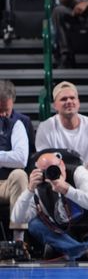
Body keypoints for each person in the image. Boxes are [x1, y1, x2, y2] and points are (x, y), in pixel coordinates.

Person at [11, 150, 88, 261]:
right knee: (34, 224)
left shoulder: (79, 173)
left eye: (54, 169)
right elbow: (17, 218)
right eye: (44, 171)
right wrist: (29, 190)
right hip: (66, 235)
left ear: (62, 164)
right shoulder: (39, 186)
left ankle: (67, 250)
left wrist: (68, 190)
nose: (50, 174)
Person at [35, 82, 88, 170]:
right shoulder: (44, 128)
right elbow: (45, 161)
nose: (69, 101)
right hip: (57, 177)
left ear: (78, 102)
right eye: (63, 99)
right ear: (55, 106)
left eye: (72, 98)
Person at [0, 80, 30, 243]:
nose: (2, 114)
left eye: (6, 110)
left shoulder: (20, 123)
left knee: (20, 175)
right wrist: (6, 157)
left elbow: (21, 159)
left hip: (7, 183)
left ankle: (19, 242)